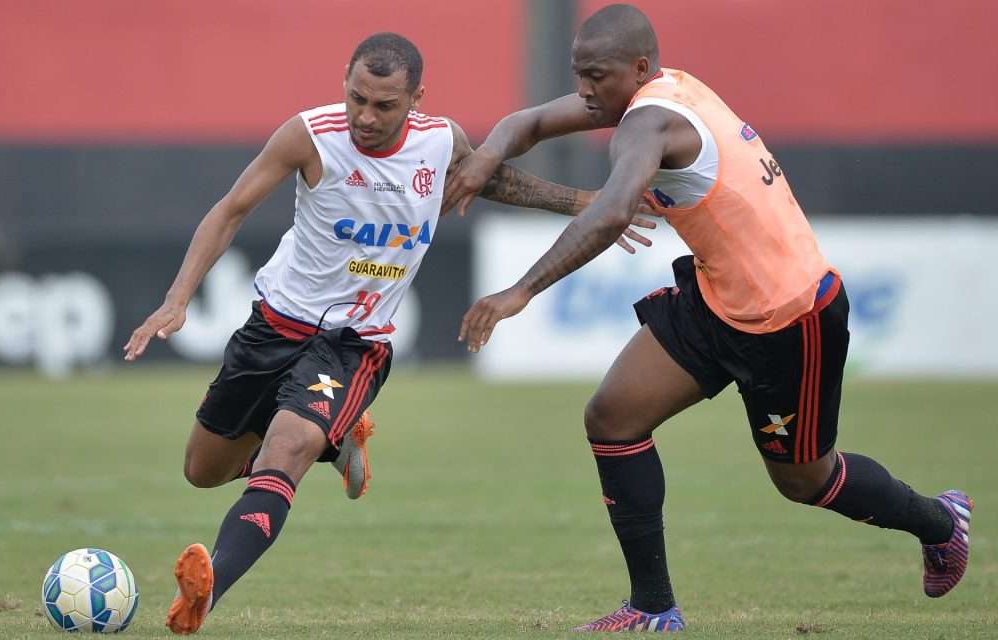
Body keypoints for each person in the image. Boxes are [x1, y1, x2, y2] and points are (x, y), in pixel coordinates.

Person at [444, 4, 972, 633]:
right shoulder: (655, 90)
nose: (584, 91)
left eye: (596, 77)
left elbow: (613, 213)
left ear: (638, 68)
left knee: (805, 481)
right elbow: (527, 120)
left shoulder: (651, 120)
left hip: (790, 314)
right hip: (721, 298)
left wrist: (519, 292)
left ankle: (941, 523)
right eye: (578, 74)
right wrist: (486, 156)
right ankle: (653, 607)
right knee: (612, 417)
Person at [123, 32, 654, 636]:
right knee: (203, 471)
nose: (365, 118)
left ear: (416, 100)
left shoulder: (439, 141)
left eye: (384, 106)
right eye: (357, 99)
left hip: (354, 345)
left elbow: (493, 180)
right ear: (344, 82)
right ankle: (339, 440)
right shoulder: (309, 134)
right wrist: (176, 300)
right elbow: (230, 208)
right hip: (272, 326)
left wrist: (587, 201)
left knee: (285, 448)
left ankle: (208, 591)